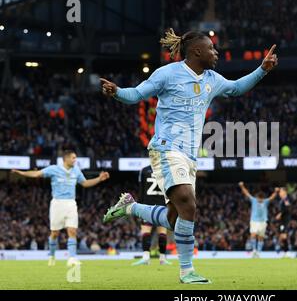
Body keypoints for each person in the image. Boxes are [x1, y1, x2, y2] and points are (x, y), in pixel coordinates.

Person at [101, 28, 278, 284]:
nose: (216, 52)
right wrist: (117, 91)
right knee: (188, 203)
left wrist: (262, 69)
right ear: (197, 51)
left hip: (190, 155)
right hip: (166, 147)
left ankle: (130, 206)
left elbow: (237, 88)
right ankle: (186, 271)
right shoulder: (167, 74)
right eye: (212, 49)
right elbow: (138, 94)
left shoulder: (212, 79)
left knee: (174, 217)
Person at [11, 150, 110, 266]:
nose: (75, 160)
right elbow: (36, 174)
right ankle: (52, 255)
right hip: (57, 204)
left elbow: (85, 183)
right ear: (66, 159)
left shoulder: (76, 170)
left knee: (72, 230)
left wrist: (99, 179)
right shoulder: (54, 169)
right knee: (54, 233)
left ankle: (72, 258)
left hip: (71, 203)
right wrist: (21, 173)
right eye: (73, 158)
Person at [132, 165, 171, 266]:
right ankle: (162, 259)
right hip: (162, 206)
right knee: (162, 232)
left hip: (147, 207)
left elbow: (141, 191)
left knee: (146, 231)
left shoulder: (144, 170)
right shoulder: (166, 170)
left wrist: (138, 207)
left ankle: (146, 258)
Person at [238, 182, 279, 258]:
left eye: (261, 199)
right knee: (253, 235)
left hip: (263, 222)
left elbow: (272, 197)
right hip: (254, 221)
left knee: (260, 237)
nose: (259, 200)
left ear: (263, 198)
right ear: (257, 197)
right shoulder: (253, 200)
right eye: (258, 198)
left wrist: (276, 192)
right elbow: (246, 193)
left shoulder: (265, 201)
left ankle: (259, 252)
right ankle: (254, 250)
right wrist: (242, 186)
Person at [276, 187, 292, 258]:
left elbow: (288, 207)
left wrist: (280, 213)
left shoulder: (286, 199)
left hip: (285, 220)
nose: (279, 193)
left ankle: (287, 252)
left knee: (284, 235)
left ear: (284, 192)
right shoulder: (282, 200)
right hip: (282, 221)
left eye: (281, 192)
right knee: (282, 236)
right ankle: (285, 251)